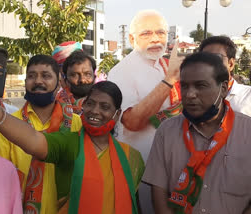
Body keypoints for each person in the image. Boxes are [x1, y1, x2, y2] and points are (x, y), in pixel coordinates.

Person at [0, 78, 145, 214]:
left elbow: (134, 205)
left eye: (105, 107)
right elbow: (32, 139)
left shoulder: (132, 157)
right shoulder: (68, 142)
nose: (95, 111)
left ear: (117, 114)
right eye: (90, 104)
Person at [144, 52, 251, 214]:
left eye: (200, 86)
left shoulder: (247, 132)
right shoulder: (167, 131)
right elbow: (158, 194)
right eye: (184, 86)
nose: (189, 94)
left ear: (223, 89)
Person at [107, 9, 183, 213]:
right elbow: (132, 121)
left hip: (173, 166)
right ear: (132, 39)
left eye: (160, 33)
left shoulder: (165, 65)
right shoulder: (122, 71)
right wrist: (169, 81)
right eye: (146, 34)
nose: (155, 39)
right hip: (140, 167)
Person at [0, 55, 82, 214]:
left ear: (59, 82)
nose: (38, 81)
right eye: (31, 76)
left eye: (46, 76)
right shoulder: (9, 127)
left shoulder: (76, 124)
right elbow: (0, 182)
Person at [199, 36, 251, 117]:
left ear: (231, 64)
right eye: (204, 58)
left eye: (216, 58)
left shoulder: (248, 96)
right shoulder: (193, 96)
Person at [56, 50, 96, 118]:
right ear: (65, 80)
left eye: (87, 74)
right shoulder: (54, 105)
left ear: (94, 77)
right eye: (75, 75)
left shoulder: (104, 102)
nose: (82, 80)